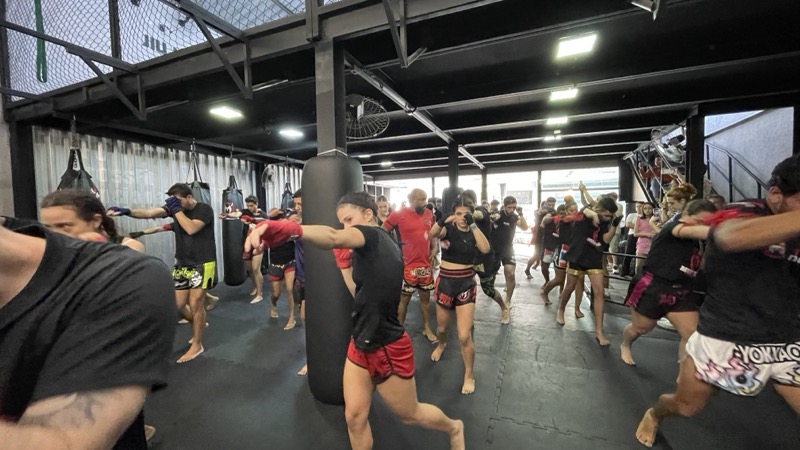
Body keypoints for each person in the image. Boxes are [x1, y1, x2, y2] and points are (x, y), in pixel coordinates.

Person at [245, 192, 465, 450]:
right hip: (360, 341)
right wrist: (344, 266)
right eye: (342, 222)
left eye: (349, 220)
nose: (345, 227)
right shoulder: (368, 249)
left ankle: (454, 427)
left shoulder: (373, 236)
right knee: (354, 417)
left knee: (410, 414)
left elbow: (332, 236)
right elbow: (357, 293)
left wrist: (288, 229)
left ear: (368, 214)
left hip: (387, 344)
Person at [635, 154, 800, 448]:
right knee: (686, 405)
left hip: (787, 338)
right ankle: (655, 413)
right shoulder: (745, 211)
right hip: (727, 336)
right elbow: (728, 236)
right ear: (775, 194)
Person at [0, 215, 175, 448]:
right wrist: (136, 220)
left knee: (189, 304)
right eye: (49, 226)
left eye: (64, 224)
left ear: (94, 221)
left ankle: (197, 340)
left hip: (117, 319)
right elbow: (157, 219)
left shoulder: (118, 266)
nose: (55, 231)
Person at [108, 182, 216, 363]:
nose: (175, 205)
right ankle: (199, 324)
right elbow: (150, 213)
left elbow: (190, 228)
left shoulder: (204, 209)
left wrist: (176, 210)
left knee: (196, 303)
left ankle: (197, 344)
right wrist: (127, 211)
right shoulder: (177, 210)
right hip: (183, 263)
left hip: (203, 262)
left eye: (178, 201)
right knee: (178, 305)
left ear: (189, 197)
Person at [620, 199, 717, 367]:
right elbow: (702, 232)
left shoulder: (695, 239)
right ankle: (625, 344)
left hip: (681, 289)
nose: (702, 225)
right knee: (641, 327)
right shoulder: (674, 227)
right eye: (700, 221)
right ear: (686, 215)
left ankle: (684, 374)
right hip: (654, 286)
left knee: (692, 335)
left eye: (707, 222)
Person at [429, 196, 491, 395]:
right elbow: (432, 234)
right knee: (441, 328)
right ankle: (442, 344)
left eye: (467, 214)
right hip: (445, 283)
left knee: (464, 335)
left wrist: (473, 225)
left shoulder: (475, 231)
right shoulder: (447, 230)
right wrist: (442, 220)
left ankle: (469, 375)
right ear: (453, 214)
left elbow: (485, 249)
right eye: (458, 213)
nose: (463, 217)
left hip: (465, 284)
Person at [556, 191, 619, 346]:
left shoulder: (605, 221)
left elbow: (605, 240)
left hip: (594, 257)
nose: (608, 218)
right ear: (600, 210)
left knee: (599, 292)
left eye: (610, 216)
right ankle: (561, 309)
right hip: (577, 255)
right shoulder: (584, 214)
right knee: (570, 287)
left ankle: (599, 331)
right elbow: (585, 211)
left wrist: (614, 225)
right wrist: (593, 214)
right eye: (606, 215)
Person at [382, 188, 438, 342]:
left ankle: (427, 327)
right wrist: (393, 252)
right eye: (421, 199)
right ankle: (399, 331)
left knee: (425, 298)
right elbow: (382, 232)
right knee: (404, 299)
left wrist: (434, 247)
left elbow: (432, 233)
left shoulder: (428, 213)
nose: (425, 202)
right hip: (407, 265)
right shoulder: (398, 215)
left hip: (425, 264)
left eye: (425, 199)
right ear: (412, 200)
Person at [463, 190, 509, 323]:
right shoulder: (462, 215)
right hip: (468, 254)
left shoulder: (479, 210)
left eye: (468, 203)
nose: (465, 206)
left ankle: (504, 308)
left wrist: (467, 213)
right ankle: (466, 315)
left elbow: (479, 215)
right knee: (463, 286)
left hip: (483, 257)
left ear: (473, 201)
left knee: (488, 290)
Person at [222, 195, 267, 304]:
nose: (250, 208)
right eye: (248, 205)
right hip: (246, 244)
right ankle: (255, 286)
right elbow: (237, 214)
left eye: (251, 205)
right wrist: (227, 214)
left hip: (258, 245)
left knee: (256, 269)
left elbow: (265, 223)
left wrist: (253, 220)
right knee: (250, 270)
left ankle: (259, 294)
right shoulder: (245, 212)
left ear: (257, 204)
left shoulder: (263, 215)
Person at [490, 196, 529, 310]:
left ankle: (508, 300)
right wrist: (491, 218)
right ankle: (492, 291)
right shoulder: (497, 215)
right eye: (509, 207)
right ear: (504, 206)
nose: (512, 210)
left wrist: (521, 214)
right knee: (491, 276)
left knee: (510, 273)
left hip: (508, 249)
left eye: (514, 207)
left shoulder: (514, 217)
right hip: (495, 250)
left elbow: (525, 228)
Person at [525, 197, 556, 279]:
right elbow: (537, 214)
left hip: (549, 237)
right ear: (546, 204)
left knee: (545, 257)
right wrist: (541, 211)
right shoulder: (540, 212)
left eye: (552, 205)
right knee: (537, 255)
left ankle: (547, 278)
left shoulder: (554, 212)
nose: (551, 206)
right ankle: (528, 269)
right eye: (549, 204)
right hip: (540, 236)